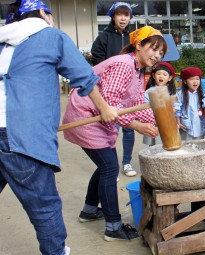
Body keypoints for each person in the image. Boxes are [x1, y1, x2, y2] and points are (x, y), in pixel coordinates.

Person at [0, 0, 118, 254]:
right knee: (45, 207)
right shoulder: (51, 36)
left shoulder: (3, 39)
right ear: (43, 13)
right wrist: (105, 109)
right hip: (22, 136)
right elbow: (84, 77)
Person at [62, 26, 165, 241]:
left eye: (161, 53)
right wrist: (136, 125)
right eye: (154, 49)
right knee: (110, 168)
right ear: (138, 45)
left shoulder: (138, 70)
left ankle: (89, 211)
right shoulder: (123, 64)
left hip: (102, 118)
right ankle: (113, 227)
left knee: (105, 166)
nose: (157, 55)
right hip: (87, 115)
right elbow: (110, 104)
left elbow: (136, 101)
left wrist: (159, 120)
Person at [91, 2, 137, 177]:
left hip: (129, 89)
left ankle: (126, 163)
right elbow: (97, 60)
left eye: (126, 15)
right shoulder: (104, 37)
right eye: (120, 14)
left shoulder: (134, 38)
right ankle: (112, 167)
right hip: (110, 88)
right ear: (113, 17)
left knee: (128, 128)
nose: (123, 18)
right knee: (111, 128)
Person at [143, 61, 177, 146]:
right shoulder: (149, 92)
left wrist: (172, 111)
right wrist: (153, 119)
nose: (161, 76)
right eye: (158, 74)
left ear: (169, 78)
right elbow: (145, 107)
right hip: (154, 123)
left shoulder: (172, 92)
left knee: (169, 145)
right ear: (154, 76)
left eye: (164, 74)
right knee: (154, 146)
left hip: (168, 123)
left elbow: (177, 106)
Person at [175, 67, 205, 141]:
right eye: (191, 79)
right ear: (185, 81)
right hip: (186, 126)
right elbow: (177, 111)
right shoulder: (180, 95)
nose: (195, 82)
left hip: (199, 124)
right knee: (187, 146)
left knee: (199, 144)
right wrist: (178, 123)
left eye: (197, 79)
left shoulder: (202, 94)